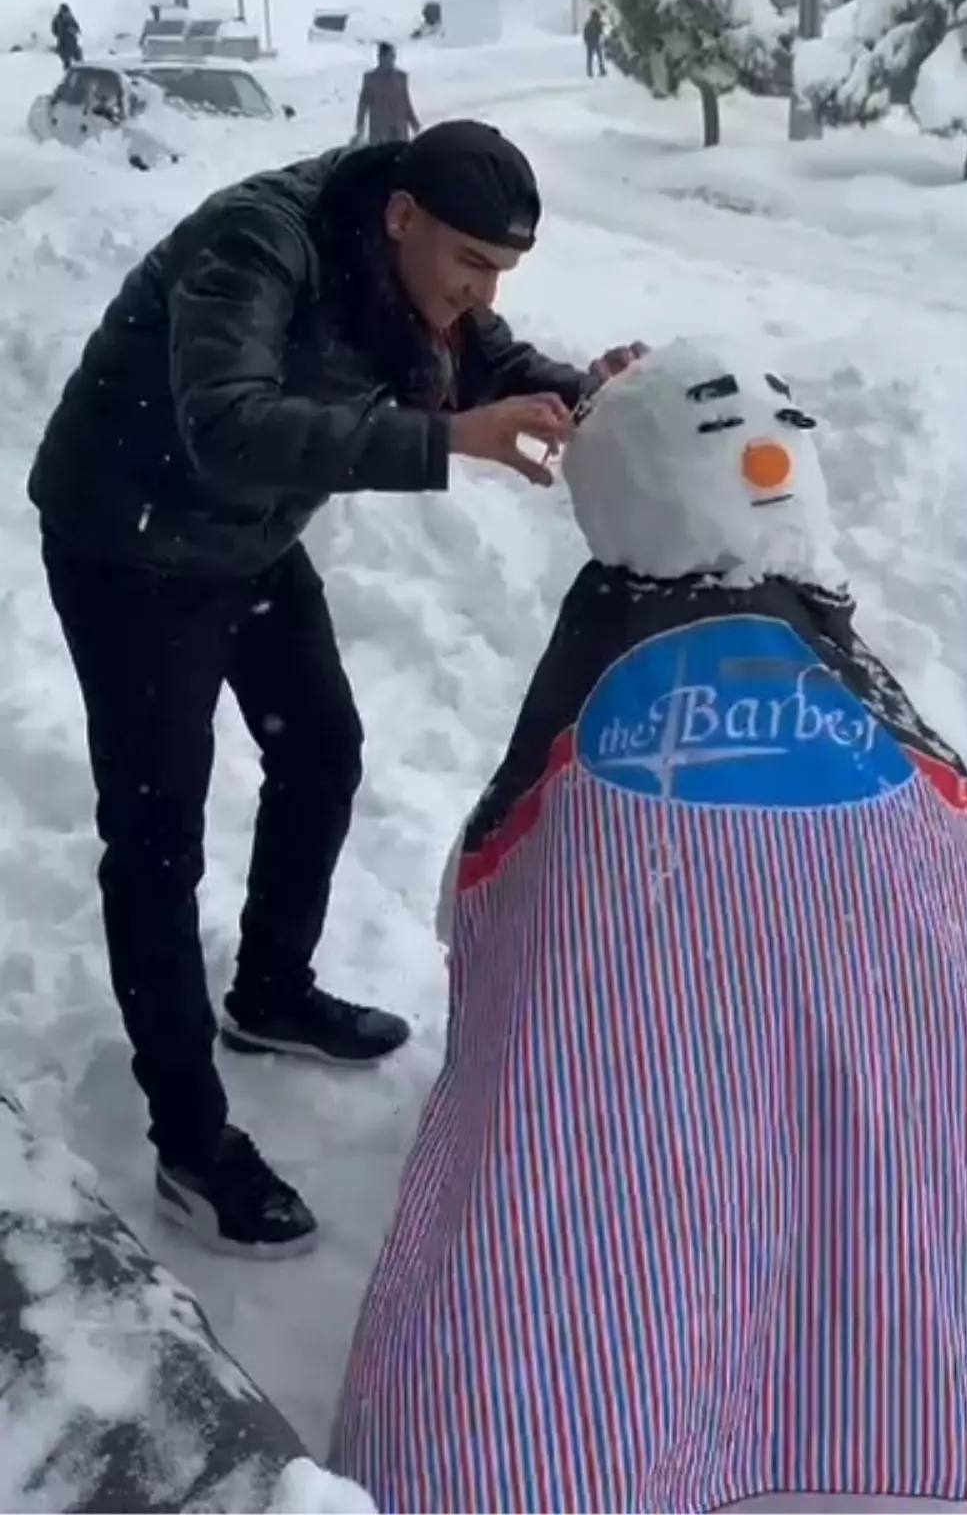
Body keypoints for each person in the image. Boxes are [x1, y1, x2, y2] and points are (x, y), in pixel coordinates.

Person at [334, 340, 967, 1515]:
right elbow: (959, 813)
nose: (763, 460)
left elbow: (520, 812)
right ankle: (882, 1346)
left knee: (627, 1136)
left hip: (653, 987)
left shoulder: (614, 628)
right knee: (891, 1088)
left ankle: (584, 1395)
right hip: (878, 983)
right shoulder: (813, 637)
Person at [28, 120, 645, 1258]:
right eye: (472, 263)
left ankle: (269, 990)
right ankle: (189, 1139)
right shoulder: (258, 242)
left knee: (320, 748)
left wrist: (592, 399)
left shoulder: (410, 263)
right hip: (130, 541)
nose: (482, 292)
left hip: (247, 539)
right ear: (402, 217)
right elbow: (225, 424)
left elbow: (482, 358)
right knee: (157, 836)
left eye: (503, 271)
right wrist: (446, 441)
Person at [355, 41, 419, 145]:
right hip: (379, 135)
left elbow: (406, 103)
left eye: (392, 56)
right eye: (386, 56)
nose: (390, 59)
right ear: (379, 57)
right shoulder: (371, 78)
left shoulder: (401, 77)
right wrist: (360, 128)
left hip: (399, 132)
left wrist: (414, 124)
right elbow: (363, 105)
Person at [51, 3, 82, 71]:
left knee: (80, 63)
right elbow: (54, 31)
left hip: (73, 43)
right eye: (64, 12)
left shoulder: (70, 18)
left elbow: (77, 29)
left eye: (67, 12)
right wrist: (63, 32)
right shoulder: (57, 20)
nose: (66, 13)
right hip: (63, 45)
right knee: (67, 64)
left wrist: (72, 30)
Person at [582, 7, 607, 78]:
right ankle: (602, 70)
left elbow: (585, 33)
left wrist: (586, 41)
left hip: (590, 43)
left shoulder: (589, 23)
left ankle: (589, 71)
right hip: (596, 42)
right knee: (599, 57)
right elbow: (600, 32)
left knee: (590, 58)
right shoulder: (597, 23)